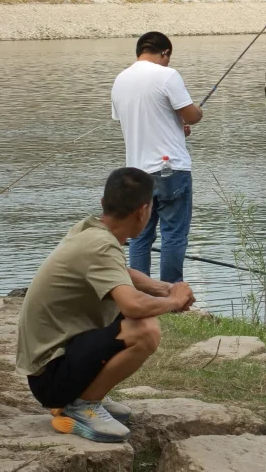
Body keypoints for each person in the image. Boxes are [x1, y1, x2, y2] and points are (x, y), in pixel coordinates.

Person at [15, 167, 196, 442]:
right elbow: (133, 306)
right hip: (49, 377)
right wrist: (173, 301)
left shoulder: (90, 229)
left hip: (51, 365)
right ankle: (83, 405)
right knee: (145, 329)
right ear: (144, 211)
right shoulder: (101, 245)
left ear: (103, 204)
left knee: (132, 318)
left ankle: (87, 395)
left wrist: (165, 289)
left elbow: (120, 271)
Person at [111, 30, 203, 283]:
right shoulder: (167, 75)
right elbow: (192, 115)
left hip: (136, 172)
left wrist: (175, 127)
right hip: (171, 169)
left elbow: (133, 123)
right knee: (173, 234)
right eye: (168, 57)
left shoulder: (120, 80)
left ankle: (141, 292)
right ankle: (172, 294)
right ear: (165, 53)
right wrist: (196, 114)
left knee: (140, 236)